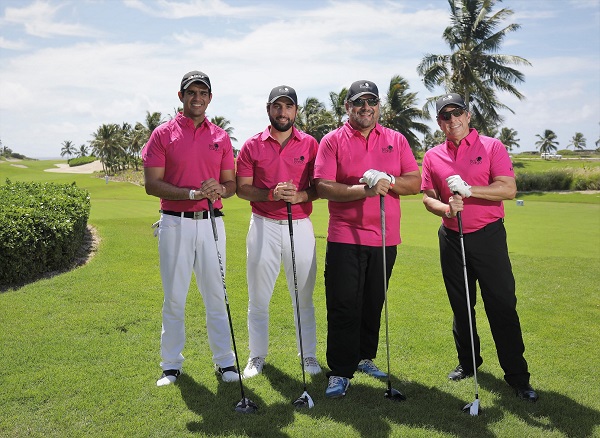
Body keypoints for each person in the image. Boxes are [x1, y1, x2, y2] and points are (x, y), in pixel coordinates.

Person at [420, 93, 538, 402]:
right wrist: (446, 208)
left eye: (456, 112)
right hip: (451, 237)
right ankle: (469, 363)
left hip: (488, 236)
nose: (452, 119)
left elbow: (508, 188)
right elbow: (427, 196)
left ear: (468, 115)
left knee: (501, 304)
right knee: (462, 306)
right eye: (445, 115)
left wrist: (469, 191)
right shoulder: (433, 156)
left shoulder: (491, 146)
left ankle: (517, 376)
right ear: (439, 122)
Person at [314, 80, 421, 398]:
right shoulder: (333, 141)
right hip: (346, 236)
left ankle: (363, 358)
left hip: (386, 239)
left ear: (378, 107)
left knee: (373, 303)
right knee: (344, 303)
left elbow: (414, 182)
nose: (365, 107)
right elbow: (323, 186)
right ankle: (340, 370)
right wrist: (366, 189)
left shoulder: (395, 140)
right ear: (348, 107)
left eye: (371, 101)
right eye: (359, 102)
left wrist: (389, 180)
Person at [142, 70, 240, 386]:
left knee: (216, 294)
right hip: (174, 224)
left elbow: (231, 184)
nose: (197, 98)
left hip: (212, 223)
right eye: (191, 92)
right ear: (181, 96)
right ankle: (171, 365)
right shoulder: (162, 134)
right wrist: (192, 194)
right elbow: (151, 184)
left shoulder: (221, 137)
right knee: (174, 297)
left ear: (209, 98)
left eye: (202, 93)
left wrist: (219, 190)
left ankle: (225, 363)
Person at [236, 85, 322, 378]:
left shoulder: (311, 144)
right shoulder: (252, 145)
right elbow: (242, 189)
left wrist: (300, 196)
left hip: (299, 225)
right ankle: (256, 355)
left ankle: (308, 355)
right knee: (258, 297)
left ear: (296, 111)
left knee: (303, 296)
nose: (282, 112)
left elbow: (318, 187)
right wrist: (270, 195)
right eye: (277, 106)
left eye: (288, 107)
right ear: (268, 109)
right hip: (263, 225)